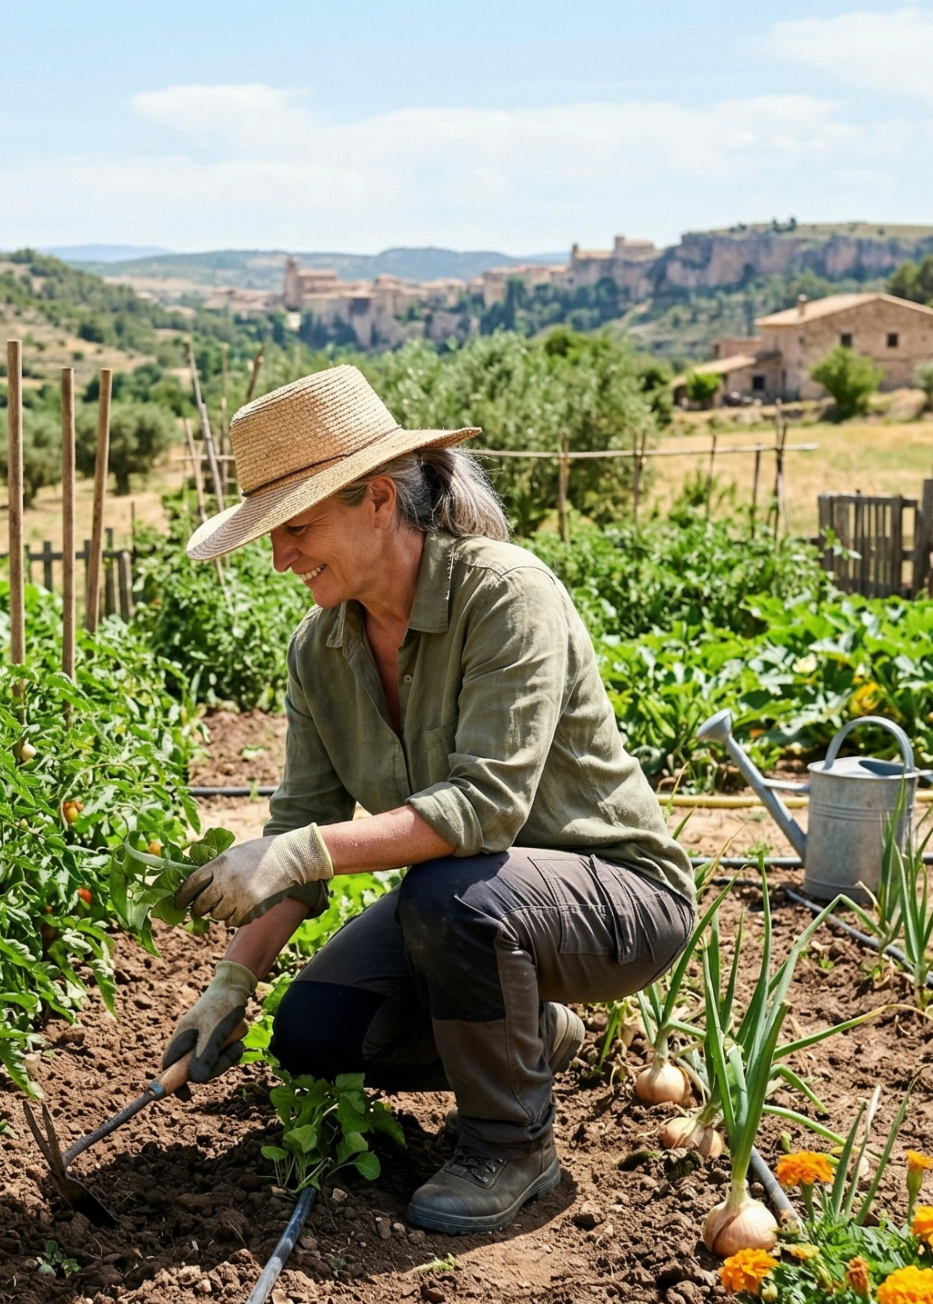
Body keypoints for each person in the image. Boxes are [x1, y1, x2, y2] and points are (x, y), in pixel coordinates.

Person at [164, 365, 695, 1235]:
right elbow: (298, 830)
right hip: (480, 904)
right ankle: (535, 1035)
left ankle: (512, 1146)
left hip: (618, 898)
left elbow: (486, 808)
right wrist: (232, 982)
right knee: (315, 1034)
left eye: (296, 527)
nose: (281, 556)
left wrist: (304, 853)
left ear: (378, 499)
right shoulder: (319, 650)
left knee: (452, 894)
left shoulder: (503, 594)